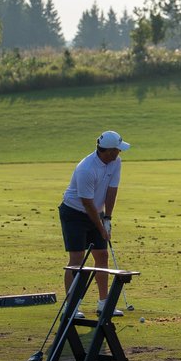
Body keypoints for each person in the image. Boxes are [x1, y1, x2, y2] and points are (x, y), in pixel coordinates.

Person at [59, 131, 130, 318]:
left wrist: (108, 219)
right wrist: (101, 228)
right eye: (118, 150)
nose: (120, 153)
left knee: (102, 255)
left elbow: (112, 191)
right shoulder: (86, 168)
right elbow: (87, 203)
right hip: (74, 213)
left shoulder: (115, 162)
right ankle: (71, 307)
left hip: (96, 212)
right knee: (77, 260)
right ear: (108, 151)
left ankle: (103, 304)